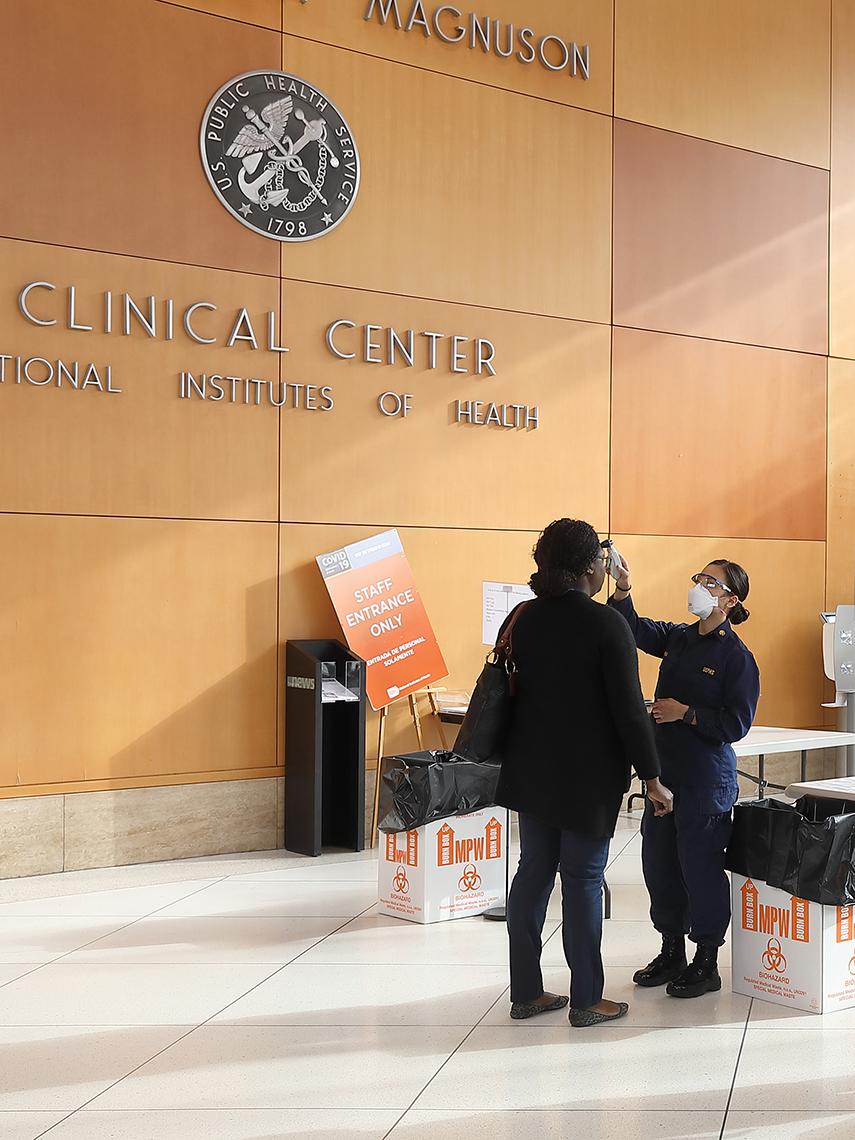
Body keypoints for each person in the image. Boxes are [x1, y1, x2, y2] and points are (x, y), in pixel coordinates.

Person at [496, 518, 673, 1028]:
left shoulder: (525, 617)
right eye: (600, 556)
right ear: (589, 565)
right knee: (583, 879)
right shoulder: (604, 624)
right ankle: (587, 999)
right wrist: (653, 777)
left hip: (532, 771)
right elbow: (628, 712)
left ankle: (527, 992)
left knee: (533, 873)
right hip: (587, 778)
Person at [608, 556, 760, 999]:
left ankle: (706, 961)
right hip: (663, 777)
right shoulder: (678, 638)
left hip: (705, 782)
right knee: (660, 867)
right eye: (699, 578)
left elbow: (736, 724)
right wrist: (623, 586)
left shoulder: (737, 658)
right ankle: (670, 948)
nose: (699, 585)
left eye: (711, 583)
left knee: (702, 871)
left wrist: (687, 713)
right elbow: (630, 628)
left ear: (730, 600)